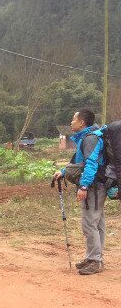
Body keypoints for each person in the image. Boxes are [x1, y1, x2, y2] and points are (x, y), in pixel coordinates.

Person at [53, 108, 106, 275]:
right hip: (98, 185)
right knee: (97, 223)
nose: (71, 122)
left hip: (94, 186)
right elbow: (78, 162)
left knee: (90, 223)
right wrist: (63, 171)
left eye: (73, 119)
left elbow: (91, 164)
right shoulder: (86, 137)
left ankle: (95, 261)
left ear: (82, 122)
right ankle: (94, 257)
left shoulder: (89, 139)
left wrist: (84, 186)